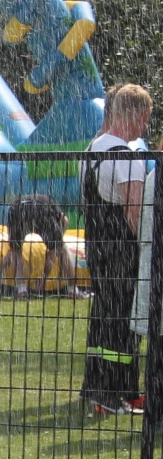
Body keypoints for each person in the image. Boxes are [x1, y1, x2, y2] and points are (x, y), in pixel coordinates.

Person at [80, 84, 152, 415]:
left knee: (103, 317)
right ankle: (111, 396)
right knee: (123, 320)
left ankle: (98, 388)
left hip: (97, 244)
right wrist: (144, 247)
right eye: (146, 118)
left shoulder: (93, 148)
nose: (146, 127)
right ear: (134, 114)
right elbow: (134, 208)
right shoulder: (124, 154)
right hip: (120, 248)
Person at [0, 194, 75, 299]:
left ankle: (21, 289)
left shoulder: (51, 207)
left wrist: (0, 270)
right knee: (62, 250)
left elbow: (12, 252)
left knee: (16, 251)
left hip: (17, 209)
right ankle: (73, 290)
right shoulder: (59, 219)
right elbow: (54, 252)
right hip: (41, 210)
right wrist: (43, 277)